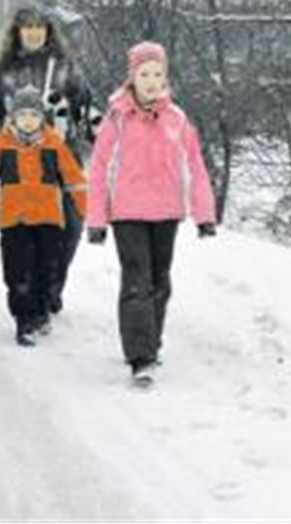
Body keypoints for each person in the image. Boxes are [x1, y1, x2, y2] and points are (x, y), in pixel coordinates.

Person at [85, 41, 217, 386]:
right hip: (127, 213)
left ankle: (150, 342)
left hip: (167, 212)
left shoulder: (177, 119)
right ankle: (140, 356)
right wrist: (96, 220)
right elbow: (99, 169)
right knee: (137, 281)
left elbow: (196, 167)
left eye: (158, 73)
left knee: (160, 282)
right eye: (144, 74)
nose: (152, 80)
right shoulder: (117, 118)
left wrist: (205, 215)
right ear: (132, 77)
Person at [0, 7, 93, 315]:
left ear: (48, 31)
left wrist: (113, 146)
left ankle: (52, 286)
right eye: (27, 27)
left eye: (39, 27)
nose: (33, 32)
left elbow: (86, 111)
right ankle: (31, 295)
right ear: (17, 32)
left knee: (70, 228)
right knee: (26, 234)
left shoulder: (65, 67)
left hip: (63, 157)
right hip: (19, 161)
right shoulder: (3, 71)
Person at [0, 85, 88, 346]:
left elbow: (74, 180)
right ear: (12, 118)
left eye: (34, 115)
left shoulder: (54, 144)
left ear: (42, 118)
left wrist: (89, 212)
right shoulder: (2, 145)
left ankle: (41, 312)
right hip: (14, 221)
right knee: (17, 272)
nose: (28, 121)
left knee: (46, 269)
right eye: (22, 115)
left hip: (49, 221)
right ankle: (23, 320)